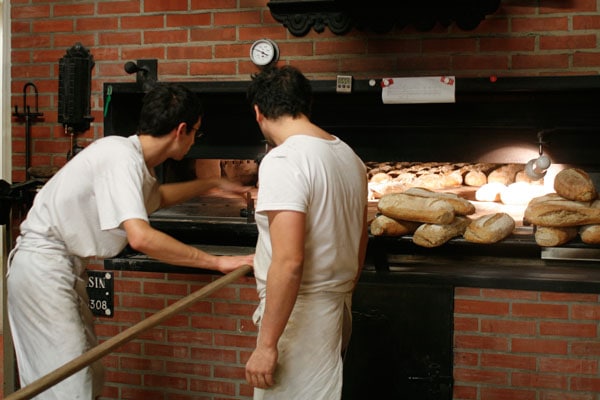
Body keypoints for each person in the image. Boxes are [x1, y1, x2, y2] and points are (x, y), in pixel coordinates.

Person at [6, 83, 254, 400]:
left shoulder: (135, 162)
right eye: (196, 133)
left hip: (62, 268)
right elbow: (140, 237)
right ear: (181, 130)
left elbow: (158, 196)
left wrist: (214, 184)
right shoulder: (119, 156)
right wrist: (218, 261)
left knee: (87, 375)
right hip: (42, 267)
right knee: (66, 387)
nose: (195, 141)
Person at [244, 65, 369, 399]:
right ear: (305, 105)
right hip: (334, 309)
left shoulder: (284, 159)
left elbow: (289, 261)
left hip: (298, 315)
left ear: (258, 113)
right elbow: (360, 241)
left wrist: (267, 345)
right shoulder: (350, 158)